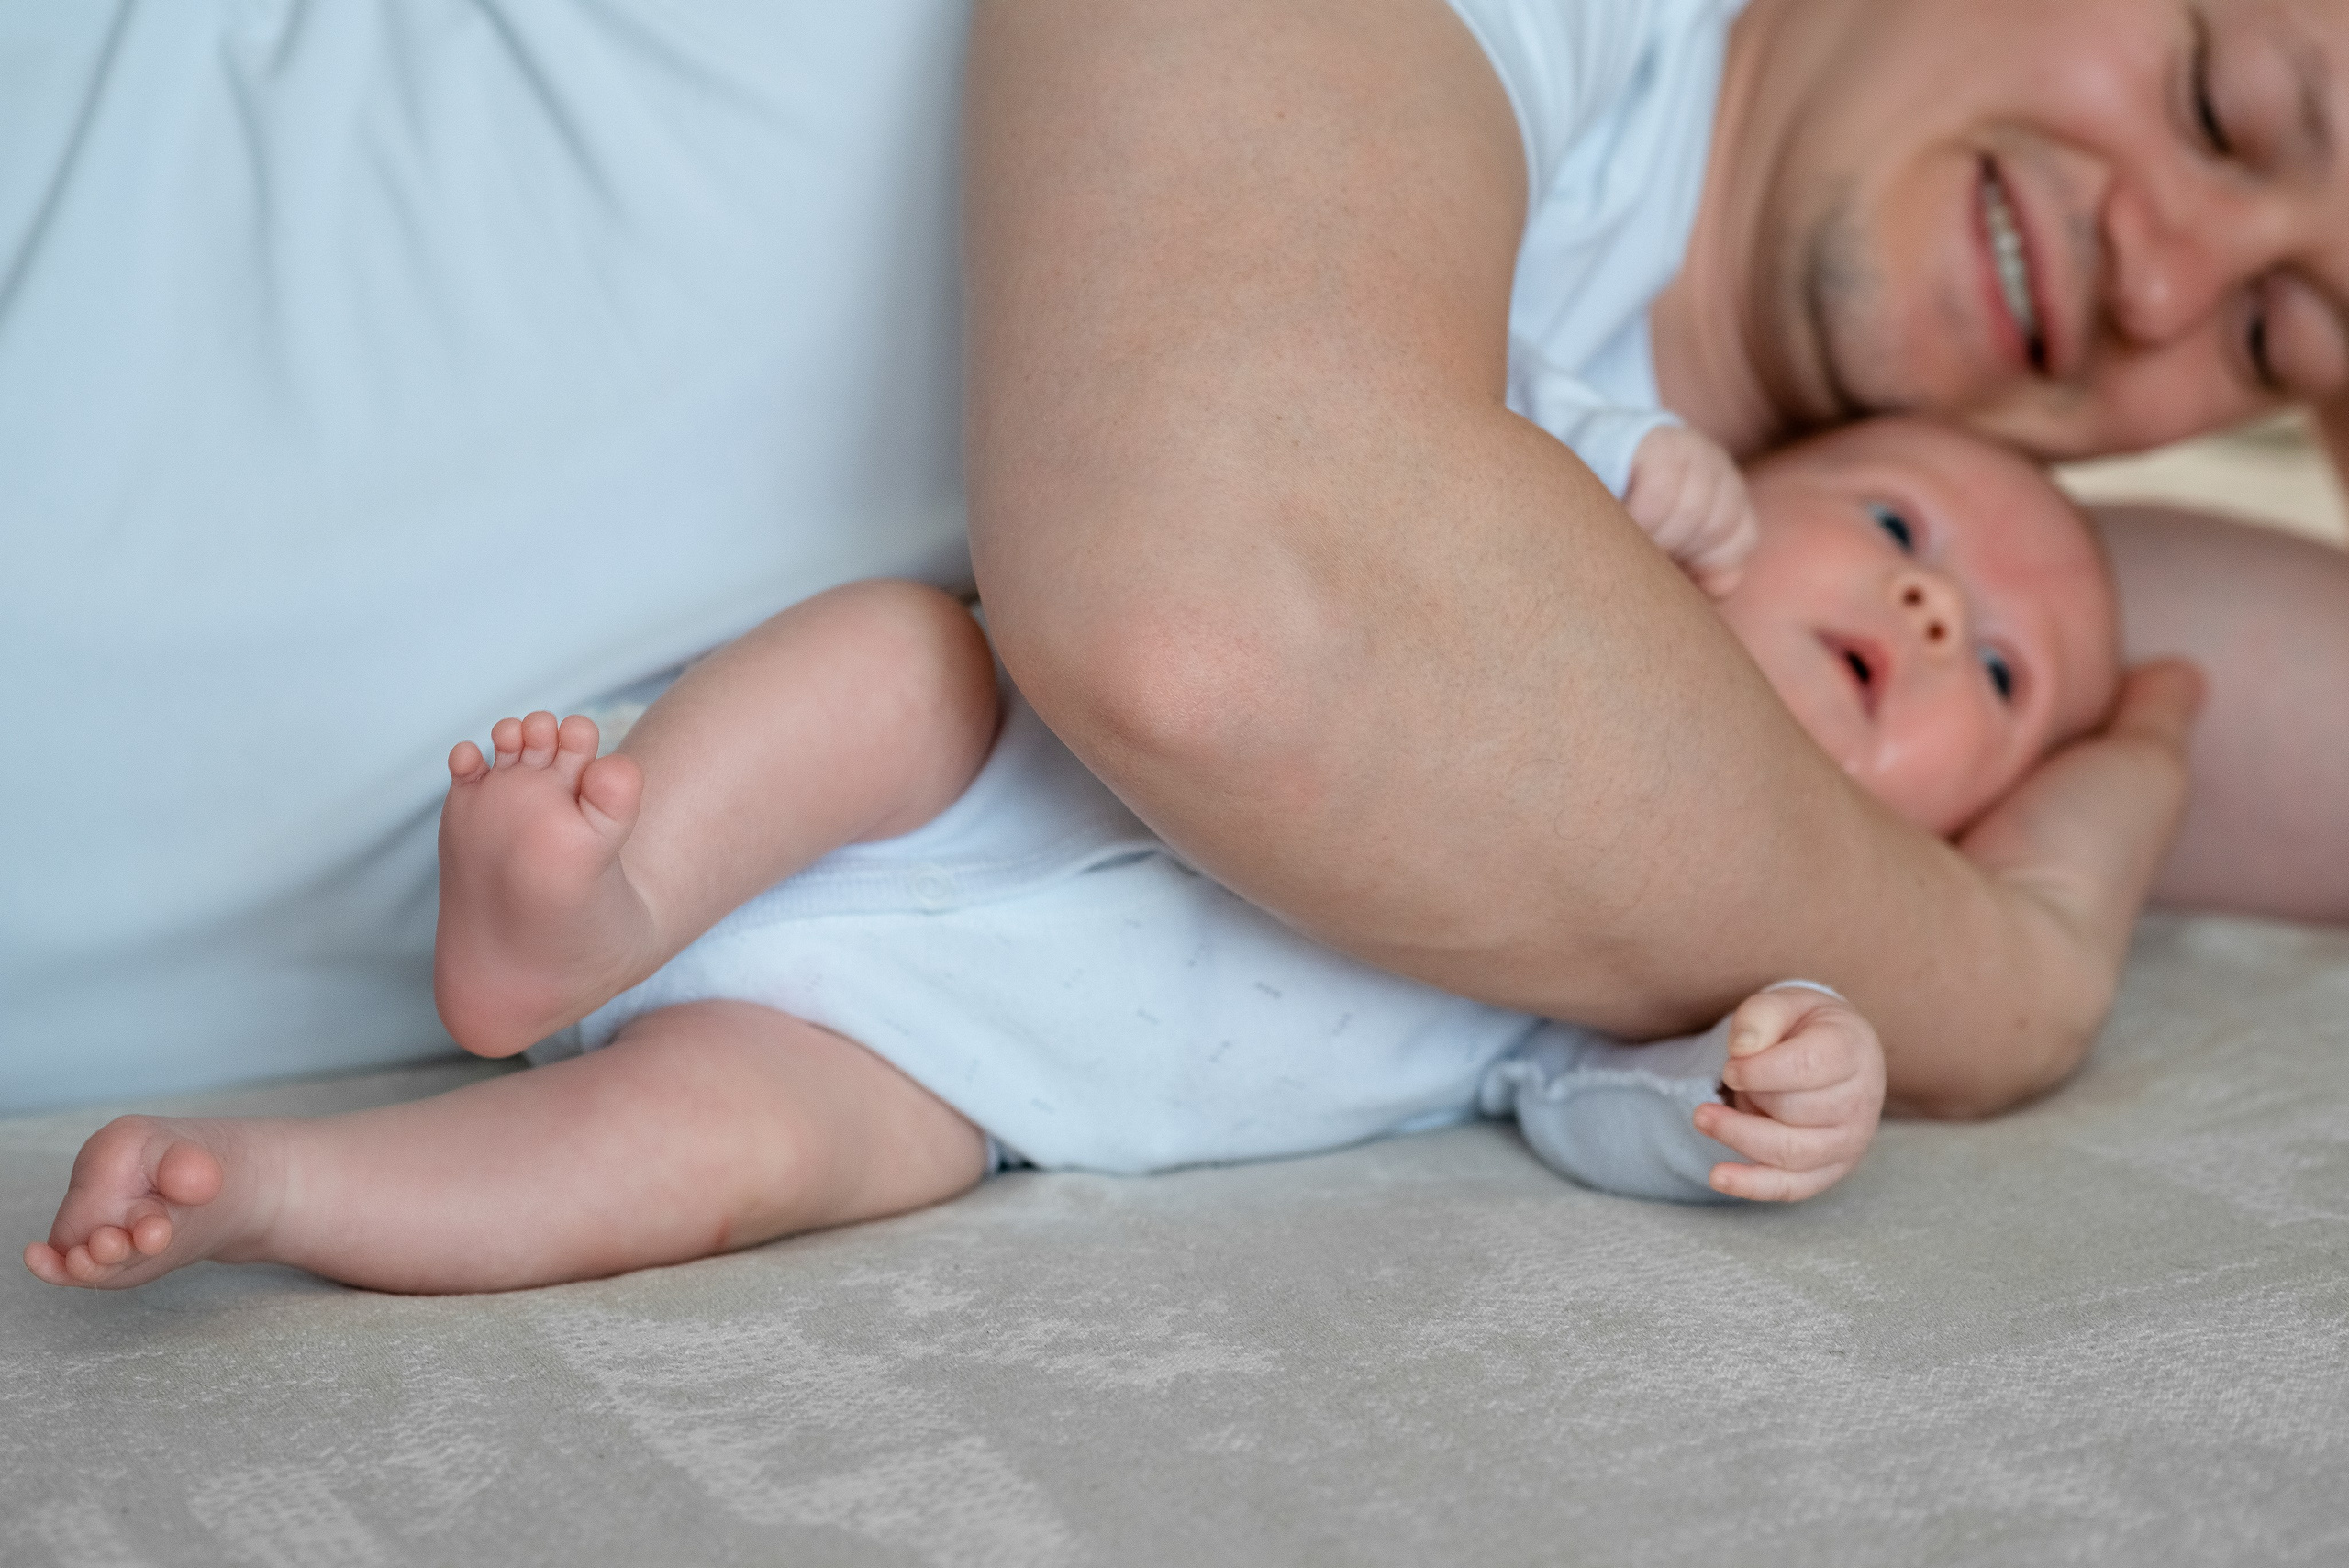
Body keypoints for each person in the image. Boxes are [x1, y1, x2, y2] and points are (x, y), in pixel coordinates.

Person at [2, 0, 2338, 1117]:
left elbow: (2191, 695)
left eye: (2275, 327)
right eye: (2233, 101)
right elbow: (1236, 615)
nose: (2161, 290)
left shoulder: (1785, 570)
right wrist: (1999, 982)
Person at [26, 414, 2122, 1294]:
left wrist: (1750, 1079)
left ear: (1938, 829)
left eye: (2002, 673)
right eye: (1901, 528)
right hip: (997, 775)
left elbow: (1580, 1097)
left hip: (968, 1072)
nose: (1932, 612)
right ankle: (584, 905)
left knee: (743, 1157)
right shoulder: (1585, 546)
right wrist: (1604, 462)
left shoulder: (1695, 942)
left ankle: (293, 1189)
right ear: (1750, 481)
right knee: (902, 666)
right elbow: (1372, 461)